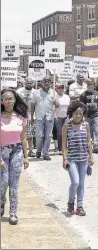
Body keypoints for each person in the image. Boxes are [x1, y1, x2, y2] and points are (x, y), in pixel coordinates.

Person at [0, 89, 30, 225]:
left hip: (17, 151)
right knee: (3, 182)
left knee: (14, 184)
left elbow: (23, 138)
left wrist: (26, 156)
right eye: (5, 99)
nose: (8, 101)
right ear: (1, 101)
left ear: (14, 100)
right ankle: (1, 203)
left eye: (10, 98)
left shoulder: (21, 117)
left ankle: (13, 213)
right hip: (2, 152)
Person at [61, 100, 94, 216]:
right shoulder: (66, 126)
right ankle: (71, 201)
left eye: (81, 113)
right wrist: (64, 159)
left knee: (81, 183)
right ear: (71, 113)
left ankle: (79, 206)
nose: (79, 116)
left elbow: (89, 141)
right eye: (76, 113)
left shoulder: (86, 125)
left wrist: (91, 156)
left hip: (83, 159)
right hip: (72, 159)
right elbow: (64, 145)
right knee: (75, 182)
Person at [31, 77, 57, 161]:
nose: (47, 83)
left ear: (50, 83)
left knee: (48, 136)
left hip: (49, 117)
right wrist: (32, 117)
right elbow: (32, 105)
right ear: (41, 83)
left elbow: (57, 105)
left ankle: (45, 153)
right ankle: (38, 150)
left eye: (49, 82)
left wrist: (55, 103)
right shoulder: (36, 93)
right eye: (45, 82)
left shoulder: (53, 93)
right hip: (39, 117)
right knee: (39, 136)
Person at [79, 79, 98, 154]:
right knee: (86, 131)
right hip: (87, 115)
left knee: (96, 131)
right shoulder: (83, 95)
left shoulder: (97, 93)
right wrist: (82, 115)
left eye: (92, 86)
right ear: (87, 86)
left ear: (94, 86)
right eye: (89, 86)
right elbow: (81, 106)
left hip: (95, 114)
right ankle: (86, 146)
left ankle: (96, 146)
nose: (91, 87)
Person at [16, 78, 36, 158]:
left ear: (33, 83)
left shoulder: (35, 92)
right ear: (25, 83)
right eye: (27, 83)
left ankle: (30, 150)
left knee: (30, 135)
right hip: (21, 115)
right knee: (20, 133)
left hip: (31, 116)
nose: (29, 84)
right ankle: (21, 150)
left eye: (30, 83)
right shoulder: (19, 91)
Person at [54, 83, 71, 156]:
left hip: (66, 117)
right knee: (60, 133)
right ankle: (60, 149)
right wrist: (54, 115)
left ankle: (66, 147)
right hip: (58, 117)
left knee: (66, 132)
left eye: (62, 88)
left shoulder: (67, 96)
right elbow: (52, 107)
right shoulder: (54, 97)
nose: (61, 89)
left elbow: (69, 106)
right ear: (56, 89)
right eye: (59, 88)